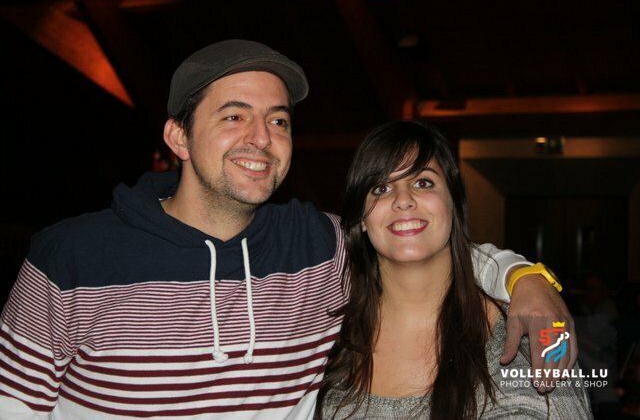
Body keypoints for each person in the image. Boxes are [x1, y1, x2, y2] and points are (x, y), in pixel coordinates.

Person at [0, 40, 572, 419]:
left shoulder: (318, 246)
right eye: (234, 116)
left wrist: (528, 278)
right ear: (178, 137)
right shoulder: (70, 258)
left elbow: (419, 241)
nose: (261, 137)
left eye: (278, 120)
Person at [316, 121, 592, 419]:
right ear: (361, 219)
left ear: (453, 203)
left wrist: (525, 277)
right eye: (381, 188)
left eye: (423, 182)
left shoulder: (532, 332)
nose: (403, 200)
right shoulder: (325, 340)